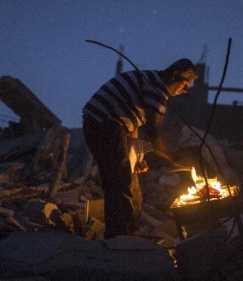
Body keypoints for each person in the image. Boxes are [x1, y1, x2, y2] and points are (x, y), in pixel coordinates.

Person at [82, 59, 198, 239]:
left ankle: (127, 235)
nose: (185, 90)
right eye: (185, 83)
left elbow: (132, 124)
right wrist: (173, 159)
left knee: (133, 191)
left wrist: (135, 155)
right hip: (103, 125)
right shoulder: (157, 88)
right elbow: (154, 131)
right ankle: (117, 241)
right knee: (120, 184)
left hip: (113, 127)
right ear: (175, 75)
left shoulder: (151, 82)